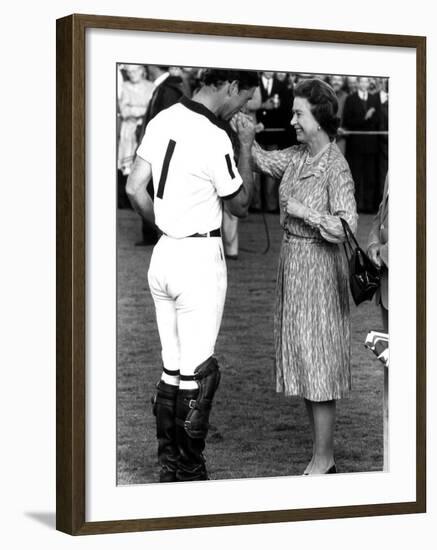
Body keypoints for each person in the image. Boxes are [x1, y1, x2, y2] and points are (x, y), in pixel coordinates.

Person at [126, 68, 259, 482]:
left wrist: (163, 224)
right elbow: (240, 205)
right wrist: (246, 144)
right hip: (198, 255)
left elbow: (134, 187)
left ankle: (170, 464)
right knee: (198, 372)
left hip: (164, 254)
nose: (243, 108)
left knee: (172, 367)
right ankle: (188, 467)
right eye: (246, 98)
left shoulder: (162, 116)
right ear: (231, 86)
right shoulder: (215, 135)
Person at [249, 78, 358, 475]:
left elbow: (347, 227)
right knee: (305, 360)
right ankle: (320, 454)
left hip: (320, 271)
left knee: (320, 364)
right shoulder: (296, 156)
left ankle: (325, 457)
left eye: (299, 113)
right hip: (293, 267)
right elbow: (261, 160)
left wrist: (304, 213)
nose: (292, 120)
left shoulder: (336, 166)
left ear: (320, 118)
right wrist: (244, 134)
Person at [135, 65, 185, 245]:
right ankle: (153, 233)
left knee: (151, 191)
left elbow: (166, 127)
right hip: (159, 153)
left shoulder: (168, 90)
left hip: (162, 155)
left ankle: (160, 232)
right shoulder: (166, 87)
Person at [367, 173, 389, 469]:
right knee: (392, 383)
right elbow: (379, 216)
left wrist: (384, 253)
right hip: (388, 289)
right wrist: (373, 243)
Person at [117, 64, 154, 208]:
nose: (131, 74)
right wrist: (141, 110)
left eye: (134, 71)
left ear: (142, 71)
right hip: (129, 130)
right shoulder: (125, 86)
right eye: (129, 72)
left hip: (144, 129)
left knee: (142, 162)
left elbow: (150, 109)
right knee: (128, 163)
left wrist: (134, 109)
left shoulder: (151, 86)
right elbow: (124, 110)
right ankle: (127, 200)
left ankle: (141, 197)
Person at [342, 76, 381, 213]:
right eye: (362, 81)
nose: (364, 84)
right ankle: (357, 205)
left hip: (371, 144)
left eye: (366, 81)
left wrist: (369, 118)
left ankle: (369, 205)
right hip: (356, 144)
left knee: (370, 176)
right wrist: (365, 118)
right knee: (356, 176)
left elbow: (378, 119)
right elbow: (348, 120)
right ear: (358, 83)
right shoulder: (350, 99)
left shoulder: (374, 99)